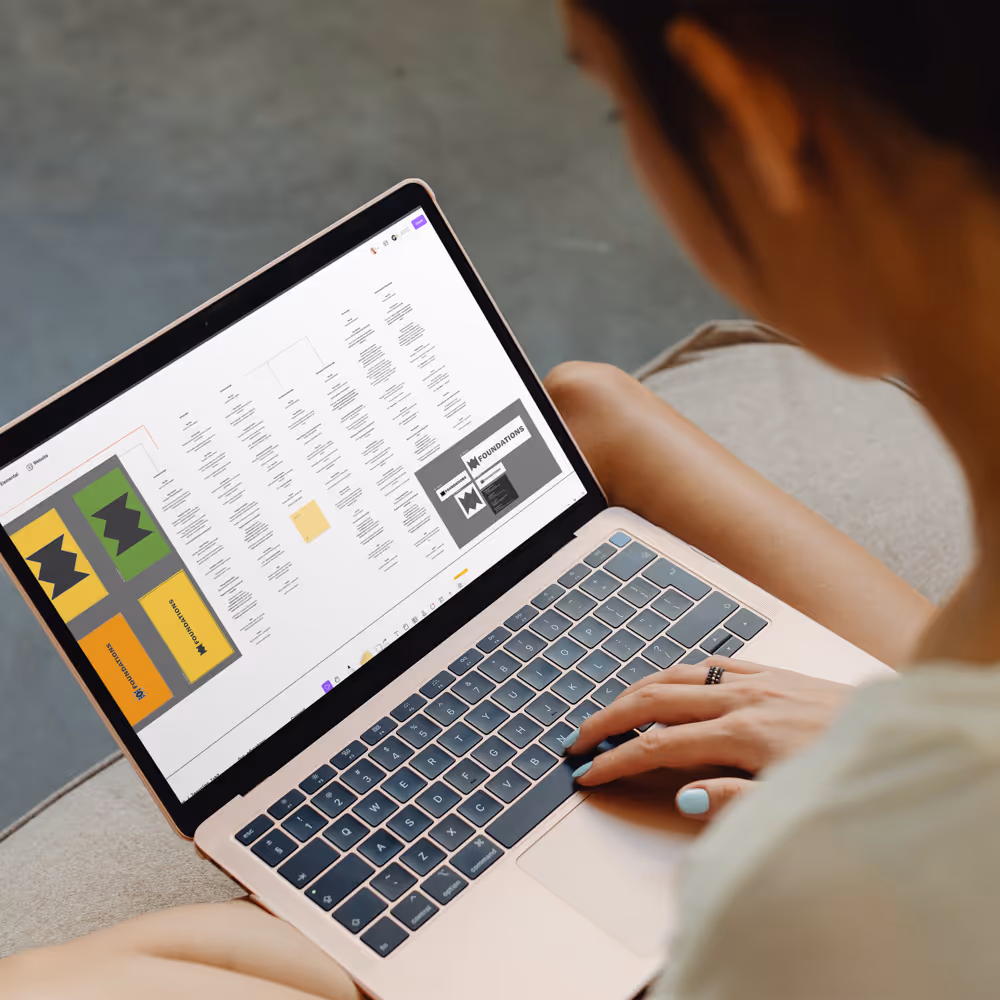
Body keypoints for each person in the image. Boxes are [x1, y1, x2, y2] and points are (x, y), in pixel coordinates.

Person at [3, 1, 999, 996]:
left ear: (750, 115)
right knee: (590, 409)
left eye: (617, 107)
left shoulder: (842, 900)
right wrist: (875, 726)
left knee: (108, 964)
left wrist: (887, 767)